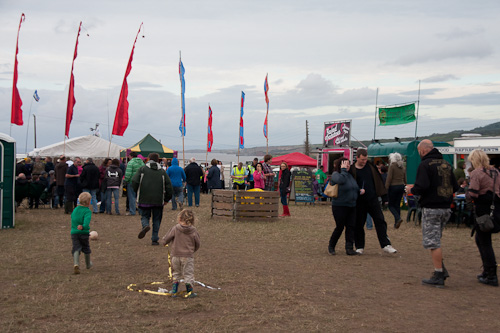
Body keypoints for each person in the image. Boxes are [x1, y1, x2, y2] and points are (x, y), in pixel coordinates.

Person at [409, 139, 458, 287]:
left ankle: (438, 274)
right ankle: (441, 269)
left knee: (433, 242)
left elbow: (422, 186)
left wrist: (411, 189)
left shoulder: (425, 165)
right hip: (446, 208)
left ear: (423, 150)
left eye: (419, 152)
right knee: (436, 239)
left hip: (431, 207)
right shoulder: (446, 164)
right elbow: (455, 186)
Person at [349, 148, 397, 254]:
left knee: (380, 220)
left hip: (373, 199)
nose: (364, 161)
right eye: (362, 160)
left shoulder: (371, 166)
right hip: (359, 201)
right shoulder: (352, 169)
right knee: (358, 224)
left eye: (365, 159)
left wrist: (384, 197)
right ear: (357, 158)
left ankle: (385, 244)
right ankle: (359, 246)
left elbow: (379, 180)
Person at [467, 149, 500, 287]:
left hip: (483, 209)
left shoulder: (476, 173)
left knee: (484, 241)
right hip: (496, 207)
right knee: (481, 240)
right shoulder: (496, 172)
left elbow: (473, 193)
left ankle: (491, 274)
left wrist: (467, 194)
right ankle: (487, 270)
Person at [132, 153, 173, 246]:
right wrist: (166, 198)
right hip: (158, 200)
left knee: (144, 215)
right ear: (158, 160)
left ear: (148, 159)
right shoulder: (162, 172)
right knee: (157, 219)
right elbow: (169, 187)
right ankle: (154, 238)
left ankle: (145, 225)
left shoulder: (142, 170)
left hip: (144, 198)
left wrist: (137, 191)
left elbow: (134, 181)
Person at [160, 209, 201, 298]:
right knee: (188, 274)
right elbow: (198, 244)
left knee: (176, 273)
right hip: (187, 257)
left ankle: (174, 290)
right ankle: (189, 291)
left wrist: (164, 242)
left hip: (175, 256)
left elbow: (167, 238)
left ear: (179, 219)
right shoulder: (194, 231)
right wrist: (192, 250)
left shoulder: (175, 228)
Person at [328, 158, 360, 256]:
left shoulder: (350, 175)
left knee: (351, 227)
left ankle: (349, 248)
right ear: (340, 165)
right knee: (340, 227)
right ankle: (331, 246)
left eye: (348, 164)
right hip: (339, 205)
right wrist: (343, 171)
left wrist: (359, 191)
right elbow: (340, 181)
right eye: (345, 164)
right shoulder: (336, 175)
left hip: (352, 205)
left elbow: (353, 187)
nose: (348, 166)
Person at [70, 192, 93, 275]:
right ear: (88, 202)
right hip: (83, 232)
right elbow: (86, 223)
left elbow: (72, 218)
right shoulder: (87, 211)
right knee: (86, 248)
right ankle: (88, 264)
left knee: (76, 247)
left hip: (74, 232)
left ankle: (76, 263)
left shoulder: (75, 209)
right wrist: (83, 227)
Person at [386, 152, 407, 229]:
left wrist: (386, 187)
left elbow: (389, 178)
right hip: (401, 186)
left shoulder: (392, 166)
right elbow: (405, 179)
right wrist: (405, 186)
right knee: (397, 205)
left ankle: (397, 218)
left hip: (393, 187)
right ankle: (396, 223)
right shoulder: (402, 167)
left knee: (391, 205)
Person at [124, 152, 144, 216]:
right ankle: (141, 211)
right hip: (140, 181)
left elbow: (128, 173)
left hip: (132, 181)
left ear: (131, 156)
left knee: (131, 196)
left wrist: (126, 180)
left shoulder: (130, 163)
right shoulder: (142, 163)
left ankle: (132, 211)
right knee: (140, 197)